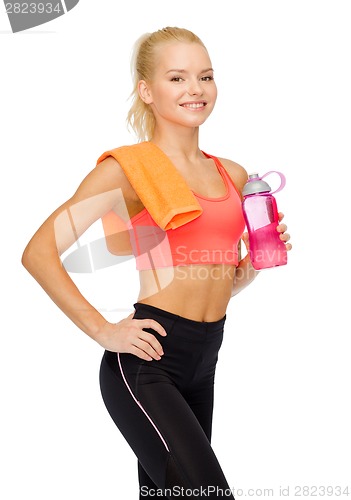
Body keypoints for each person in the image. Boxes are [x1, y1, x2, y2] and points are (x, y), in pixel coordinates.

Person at [22, 27, 292, 499]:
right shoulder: (126, 170)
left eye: (205, 76)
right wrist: (104, 331)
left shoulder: (232, 174)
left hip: (205, 359)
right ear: (146, 91)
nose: (195, 89)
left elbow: (217, 281)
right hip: (148, 363)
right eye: (177, 78)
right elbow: (38, 252)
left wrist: (250, 268)